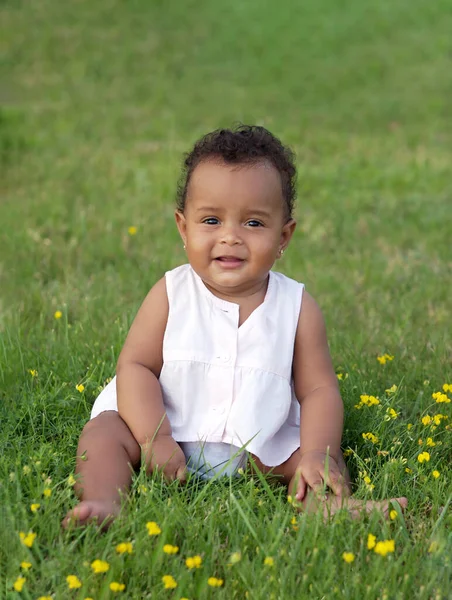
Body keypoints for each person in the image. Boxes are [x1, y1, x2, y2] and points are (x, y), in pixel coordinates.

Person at [62, 125, 407, 528]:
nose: (230, 237)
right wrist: (153, 438)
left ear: (284, 236)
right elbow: (135, 367)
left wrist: (318, 452)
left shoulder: (297, 307)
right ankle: (104, 502)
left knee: (311, 461)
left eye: (254, 224)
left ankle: (328, 506)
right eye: (211, 220)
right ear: (183, 227)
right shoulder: (171, 293)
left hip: (258, 444)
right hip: (165, 424)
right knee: (104, 434)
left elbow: (318, 389)